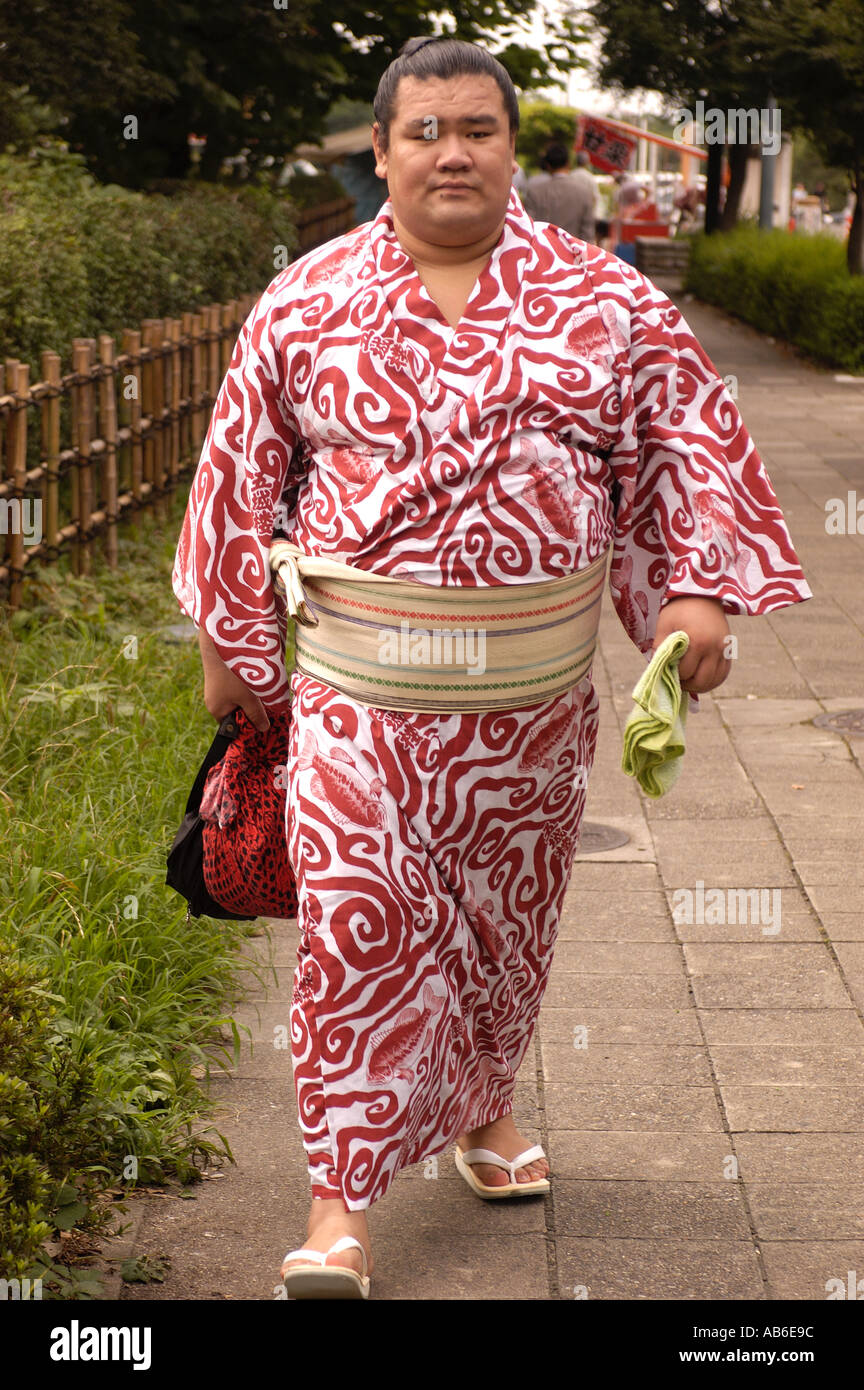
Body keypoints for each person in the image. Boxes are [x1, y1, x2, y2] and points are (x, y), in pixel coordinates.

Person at [172, 35, 812, 1299]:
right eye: (426, 132)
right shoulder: (303, 300)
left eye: (478, 128)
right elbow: (240, 483)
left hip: (531, 705)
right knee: (358, 929)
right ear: (386, 150)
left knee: (502, 933)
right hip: (362, 693)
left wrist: (691, 598)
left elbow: (680, 447)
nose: (453, 151)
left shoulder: (611, 301)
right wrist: (227, 651)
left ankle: (480, 1109)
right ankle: (338, 1205)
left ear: (513, 148)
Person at [522, 141, 596, 242]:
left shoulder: (535, 192)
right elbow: (587, 233)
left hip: (543, 253)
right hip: (573, 253)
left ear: (548, 165)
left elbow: (528, 229)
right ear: (568, 163)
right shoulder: (584, 193)